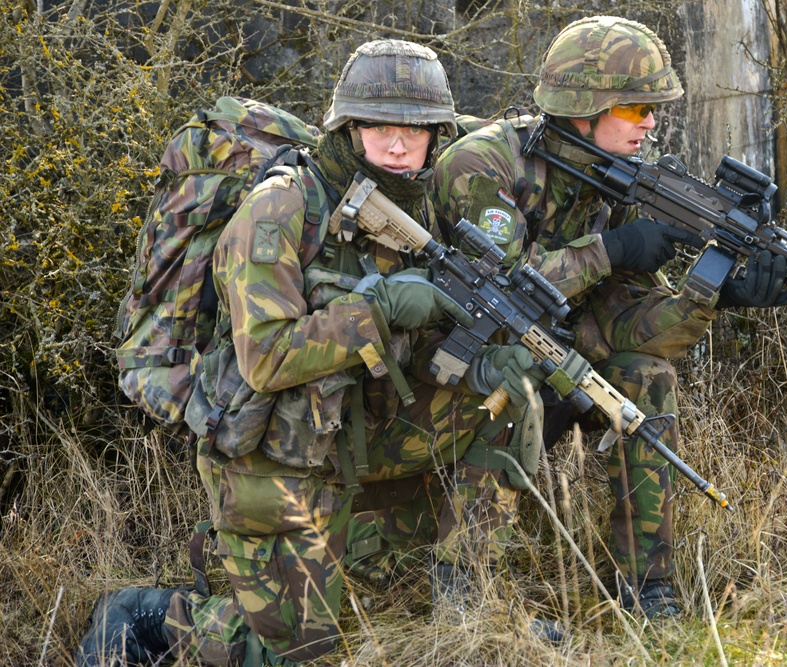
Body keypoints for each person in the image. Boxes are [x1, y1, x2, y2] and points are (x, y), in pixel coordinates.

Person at [77, 39, 544, 667]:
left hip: (360, 432)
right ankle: (153, 617)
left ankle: (464, 599)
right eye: (380, 127)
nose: (399, 145)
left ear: (438, 133)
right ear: (349, 128)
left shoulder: (430, 206)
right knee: (300, 653)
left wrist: (480, 362)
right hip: (277, 457)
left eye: (416, 129)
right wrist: (372, 313)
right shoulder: (282, 207)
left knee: (511, 405)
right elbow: (264, 358)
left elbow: (424, 341)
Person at [428, 16, 787, 619]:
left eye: (652, 109)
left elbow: (618, 325)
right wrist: (613, 251)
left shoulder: (616, 184)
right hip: (464, 364)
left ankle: (645, 586)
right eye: (636, 108)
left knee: (646, 376)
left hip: (559, 355)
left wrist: (712, 297)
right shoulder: (484, 165)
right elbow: (496, 291)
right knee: (519, 373)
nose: (651, 122)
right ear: (584, 107)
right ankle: (463, 590)